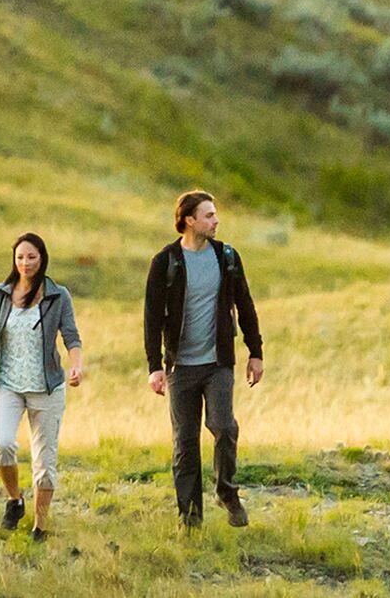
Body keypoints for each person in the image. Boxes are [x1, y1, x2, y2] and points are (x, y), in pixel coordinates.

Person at [144, 190, 264, 528]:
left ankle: (227, 492)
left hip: (218, 363)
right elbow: (152, 317)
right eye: (209, 215)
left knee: (224, 426)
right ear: (189, 220)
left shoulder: (226, 256)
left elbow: (245, 305)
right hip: (180, 367)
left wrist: (255, 352)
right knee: (185, 443)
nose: (216, 220)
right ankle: (190, 518)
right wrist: (155, 366)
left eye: (215, 214)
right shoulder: (166, 262)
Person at [0, 232, 83, 542]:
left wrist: (76, 363)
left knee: (44, 463)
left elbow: (71, 336)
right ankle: (14, 500)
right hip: (7, 384)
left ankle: (40, 527)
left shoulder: (58, 296)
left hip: (46, 388)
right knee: (2, 444)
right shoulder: (1, 294)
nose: (25, 263)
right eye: (20, 257)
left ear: (42, 259)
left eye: (31, 257)